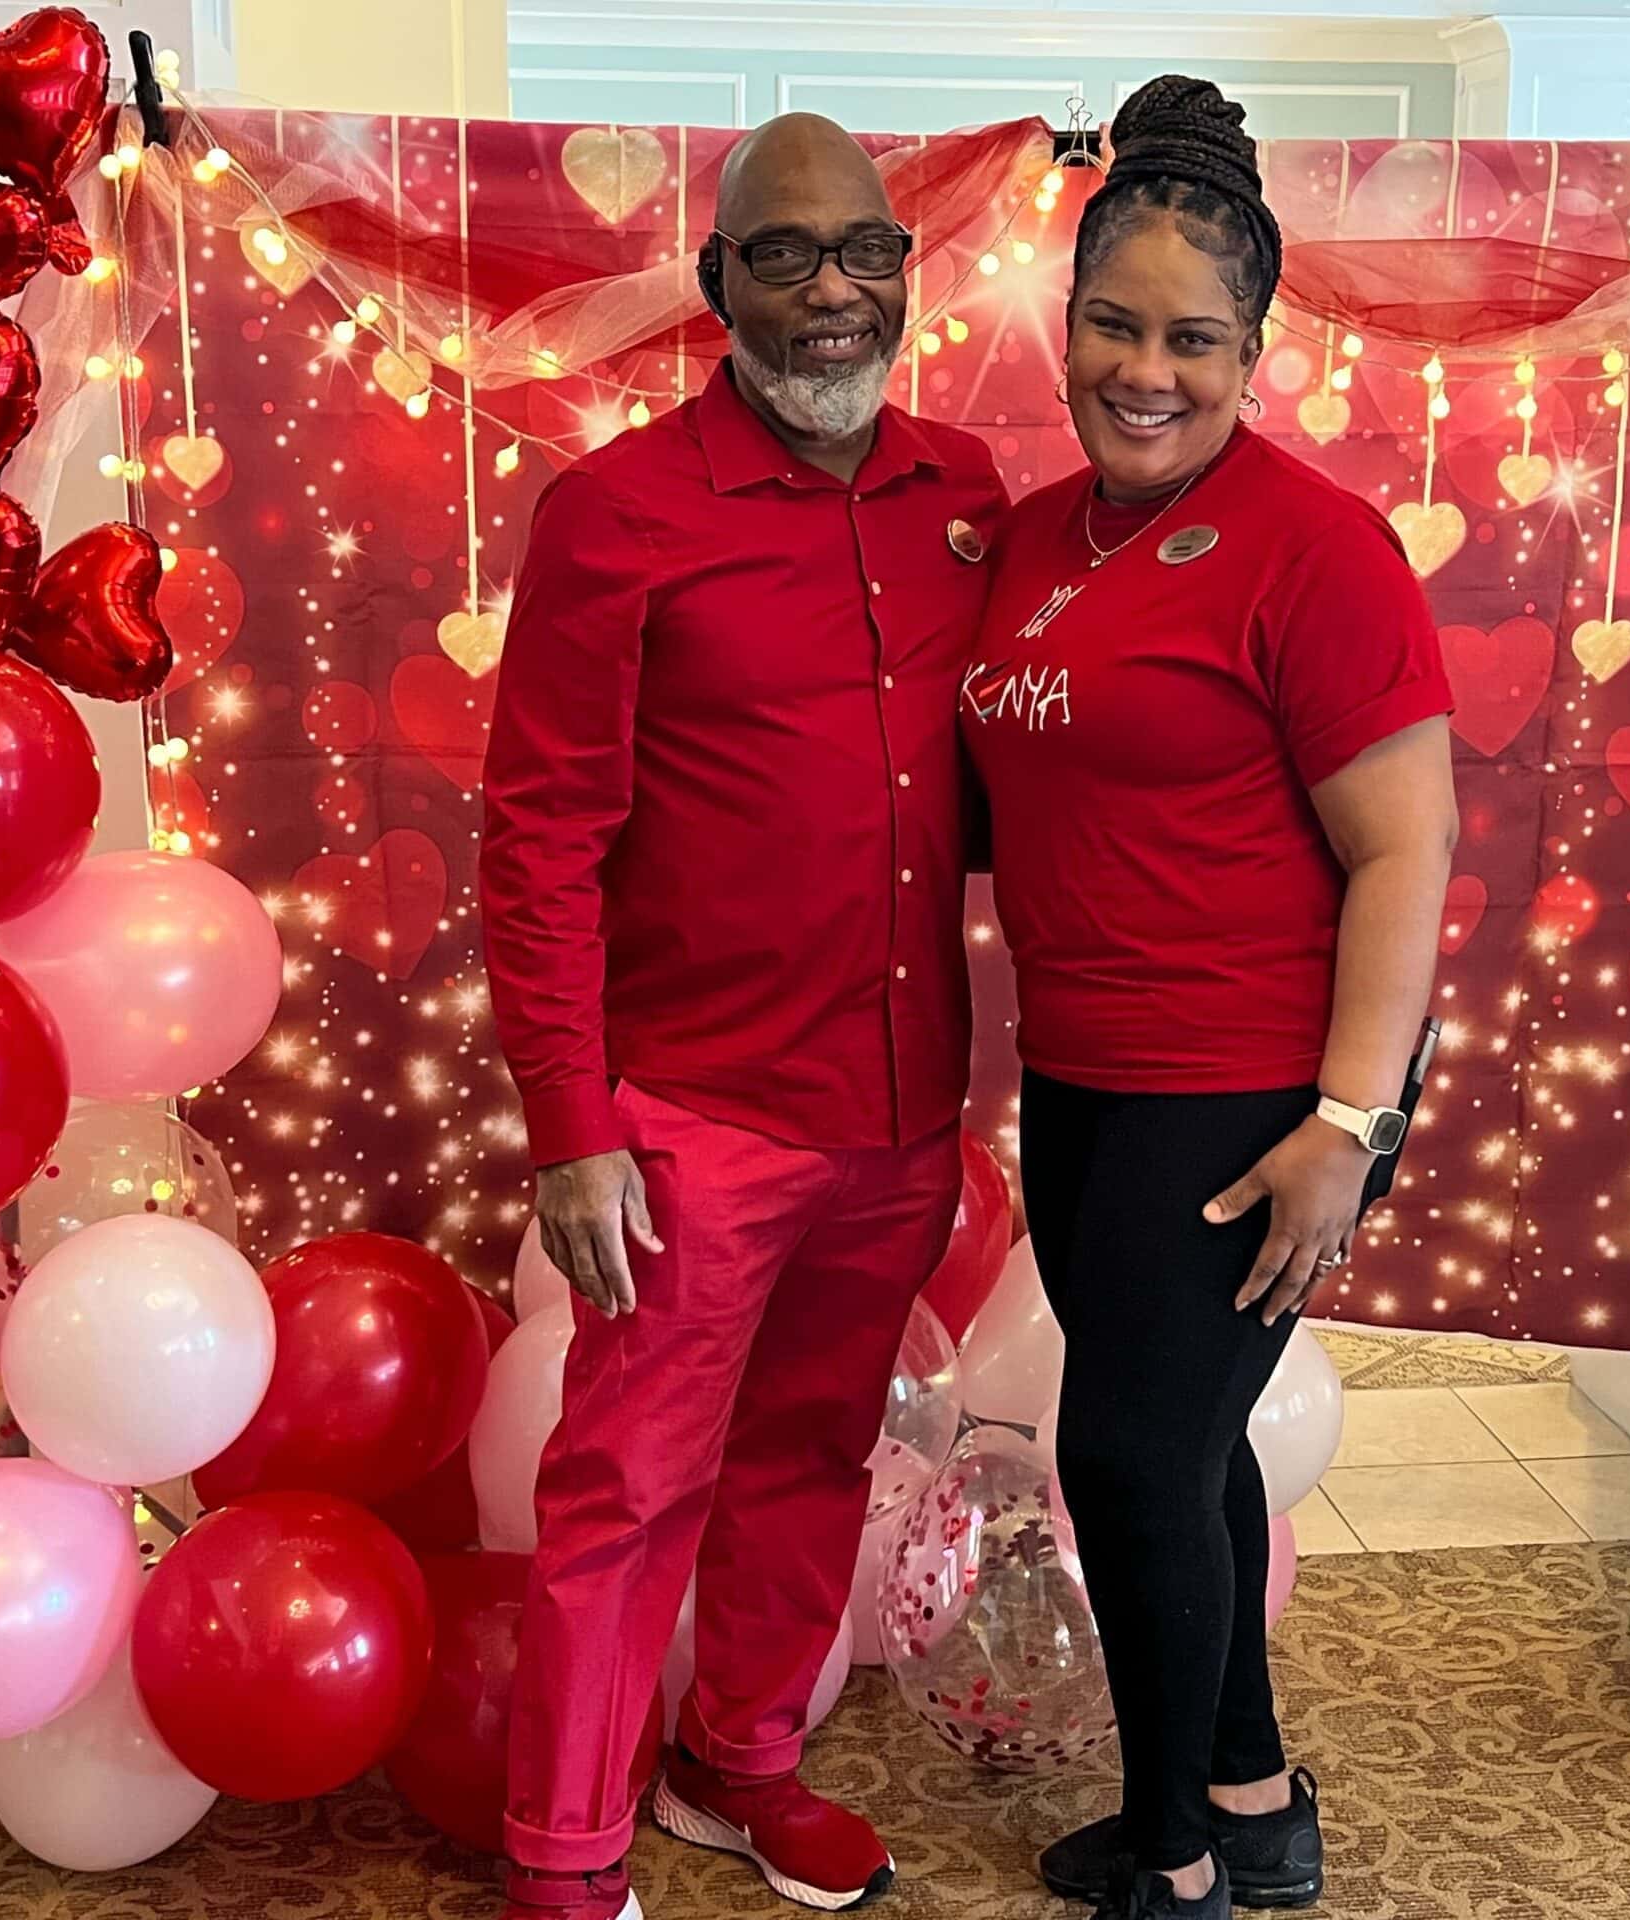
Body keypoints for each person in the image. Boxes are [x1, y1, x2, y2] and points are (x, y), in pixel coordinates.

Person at [478, 112, 1008, 1920]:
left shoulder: (970, 501)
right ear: (717, 286)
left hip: (901, 1105)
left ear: (903, 272)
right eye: (784, 255)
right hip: (693, 1115)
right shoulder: (615, 516)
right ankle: (562, 1861)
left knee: (815, 1453)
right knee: (625, 1493)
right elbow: (538, 838)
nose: (834, 290)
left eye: (866, 250)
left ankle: (742, 1758)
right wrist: (570, 1125)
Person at [959, 76, 1458, 1920]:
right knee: (1183, 1442)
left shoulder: (1314, 549)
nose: (1145, 370)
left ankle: (1172, 1869)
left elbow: (1409, 851)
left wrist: (1351, 1123)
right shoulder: (1027, 543)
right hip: (1086, 1082)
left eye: (1194, 340)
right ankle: (1251, 1795)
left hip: (1259, 1097)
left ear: (1253, 355)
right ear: (1066, 318)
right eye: (1114, 324)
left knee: (1130, 1457)